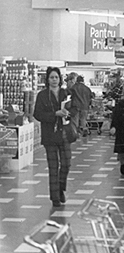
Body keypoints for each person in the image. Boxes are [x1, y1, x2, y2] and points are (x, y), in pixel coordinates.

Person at [33, 67, 73, 207]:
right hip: (50, 135)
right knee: (53, 166)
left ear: (60, 79)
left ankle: (61, 188)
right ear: (47, 79)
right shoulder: (42, 95)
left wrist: (68, 113)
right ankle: (55, 197)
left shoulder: (66, 93)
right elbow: (37, 114)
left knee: (66, 163)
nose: (54, 80)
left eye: (56, 77)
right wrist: (55, 114)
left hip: (64, 133)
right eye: (51, 77)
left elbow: (74, 109)